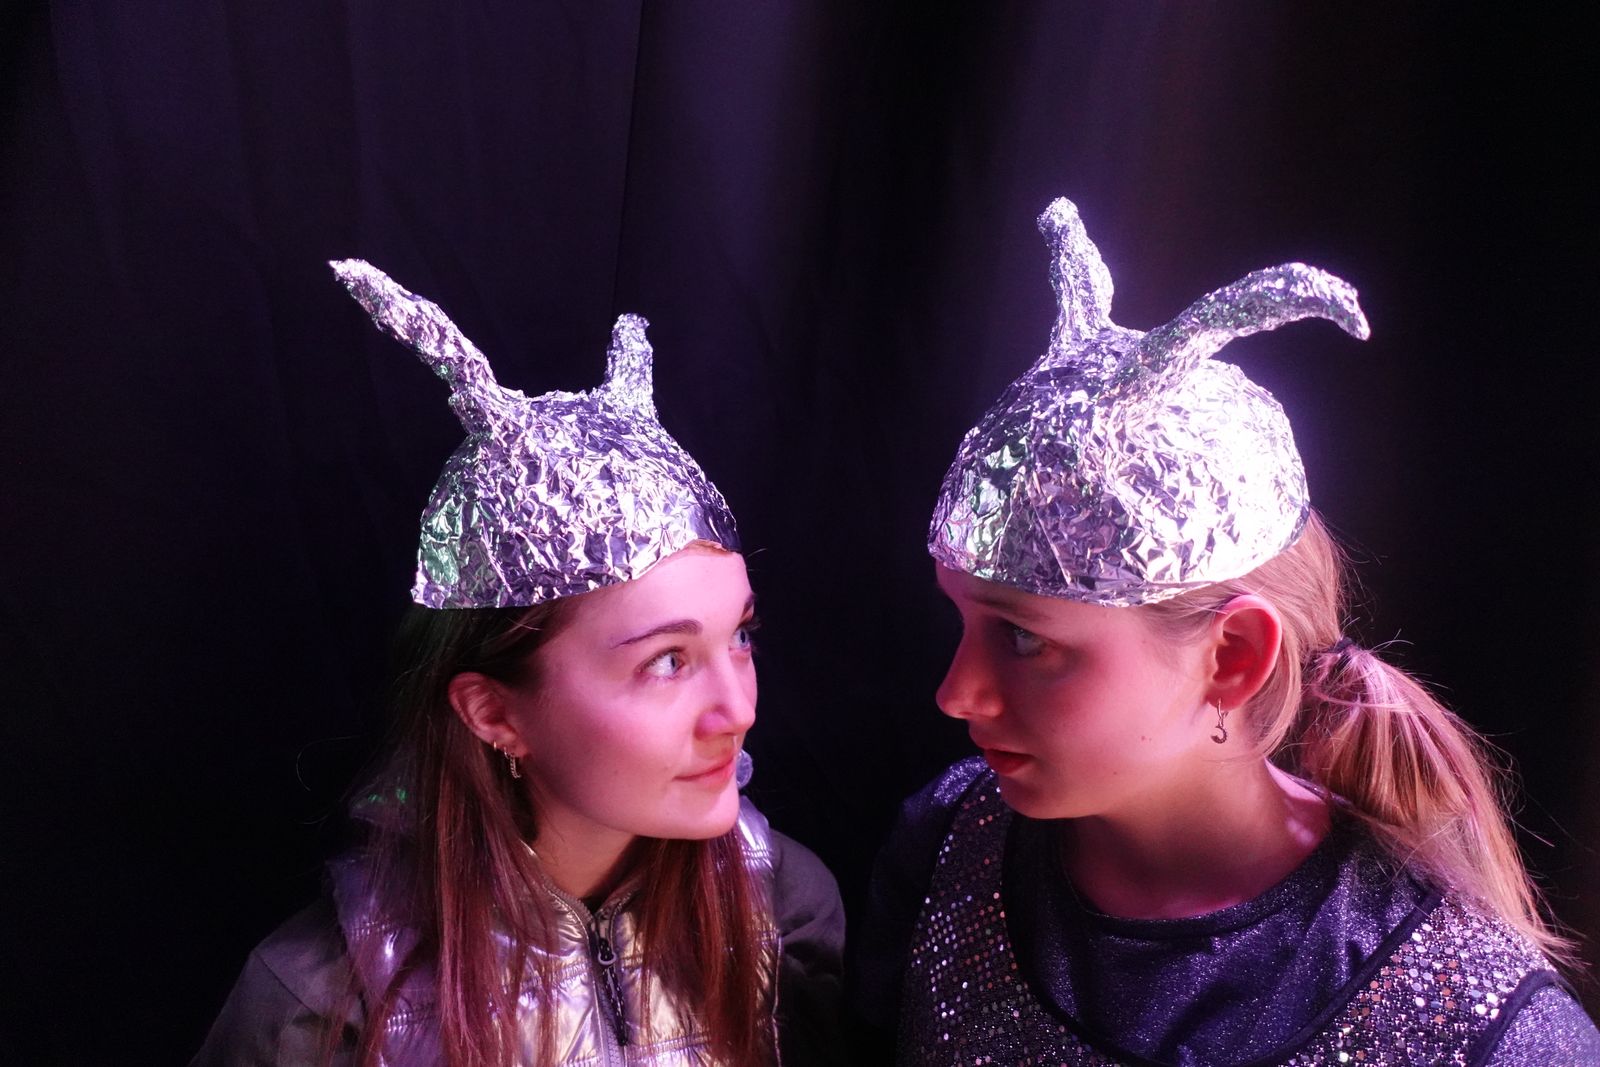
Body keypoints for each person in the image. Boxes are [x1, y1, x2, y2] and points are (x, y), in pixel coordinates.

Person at [855, 198, 1599, 1066]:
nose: (956, 692)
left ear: (1233, 658)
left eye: (1024, 638)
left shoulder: (1475, 1025)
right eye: (963, 619)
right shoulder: (951, 850)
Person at [193, 262, 844, 1066]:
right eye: (669, 660)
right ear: (494, 712)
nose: (738, 710)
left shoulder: (781, 913)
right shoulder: (326, 1004)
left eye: (739, 635)